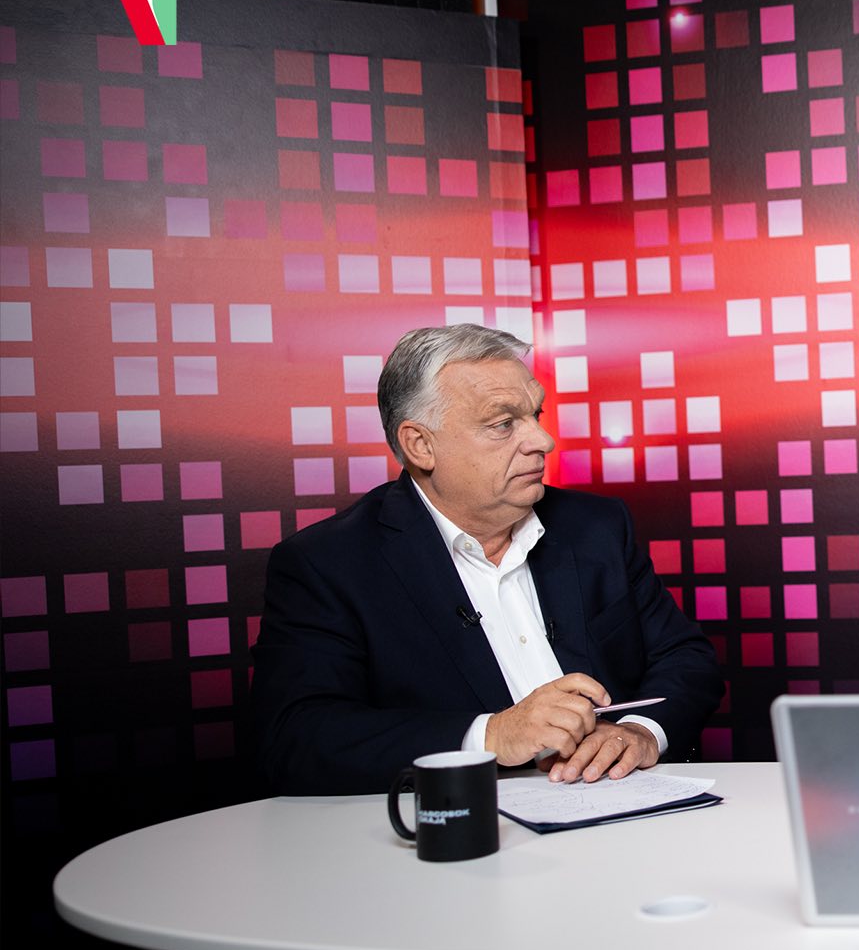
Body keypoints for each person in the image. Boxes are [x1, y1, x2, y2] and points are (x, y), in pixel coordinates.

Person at [255, 325, 725, 796]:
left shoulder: (596, 526)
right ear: (421, 445)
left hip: (620, 808)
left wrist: (640, 731)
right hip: (463, 823)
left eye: (535, 415)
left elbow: (686, 659)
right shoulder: (327, 564)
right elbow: (297, 736)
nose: (543, 441)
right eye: (503, 424)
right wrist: (491, 737)